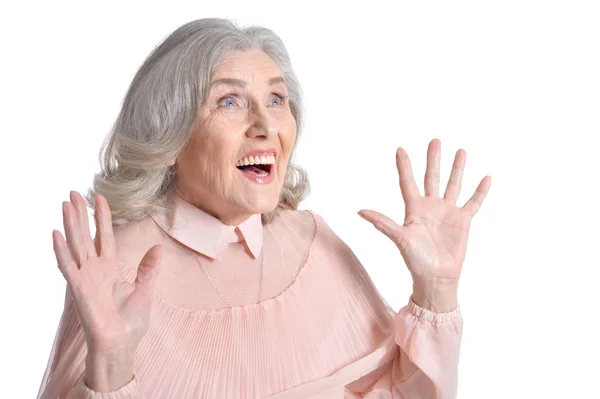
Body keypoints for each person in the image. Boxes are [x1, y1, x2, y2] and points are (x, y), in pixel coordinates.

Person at [37, 18, 491, 399]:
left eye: (276, 100)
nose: (265, 125)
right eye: (229, 101)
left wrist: (436, 294)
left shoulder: (314, 244)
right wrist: (112, 365)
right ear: (169, 135)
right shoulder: (114, 273)